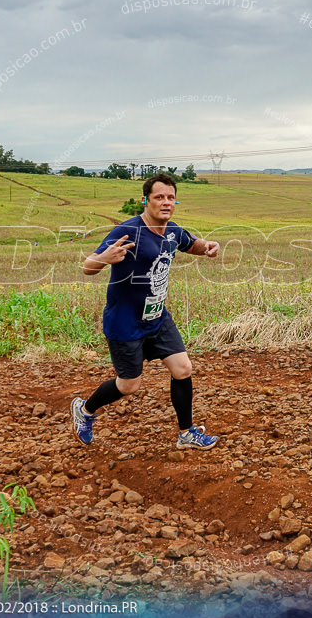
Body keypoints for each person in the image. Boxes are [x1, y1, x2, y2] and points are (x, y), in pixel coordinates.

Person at [71, 171, 221, 449]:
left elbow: (192, 244)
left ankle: (186, 433)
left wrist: (210, 246)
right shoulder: (127, 231)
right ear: (146, 201)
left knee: (183, 369)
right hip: (125, 322)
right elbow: (87, 266)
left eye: (171, 198)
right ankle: (85, 410)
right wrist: (104, 259)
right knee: (129, 385)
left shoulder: (173, 231)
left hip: (156, 318)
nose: (166, 202)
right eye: (159, 197)